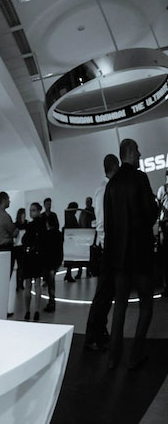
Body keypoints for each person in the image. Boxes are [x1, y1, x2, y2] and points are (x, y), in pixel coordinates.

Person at [105, 139, 159, 370]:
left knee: (120, 306)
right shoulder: (140, 178)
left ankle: (113, 357)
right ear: (129, 152)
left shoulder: (112, 184)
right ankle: (135, 354)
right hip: (141, 254)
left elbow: (109, 226)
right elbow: (151, 213)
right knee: (146, 304)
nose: (140, 154)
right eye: (137, 150)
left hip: (120, 258)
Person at [85, 154, 120, 351]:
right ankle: (92, 336)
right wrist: (108, 248)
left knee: (107, 294)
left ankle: (100, 331)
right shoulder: (103, 190)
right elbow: (101, 224)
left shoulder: (108, 189)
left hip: (109, 249)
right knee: (102, 294)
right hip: (107, 250)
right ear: (114, 166)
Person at [21, 202, 46, 321]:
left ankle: (27, 311)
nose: (31, 212)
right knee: (37, 284)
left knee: (28, 284)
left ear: (38, 211)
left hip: (29, 256)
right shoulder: (43, 225)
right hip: (37, 256)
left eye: (33, 210)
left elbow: (25, 240)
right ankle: (36, 311)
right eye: (31, 210)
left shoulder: (30, 225)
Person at [0, 191, 19, 287]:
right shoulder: (5, 216)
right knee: (6, 276)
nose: (9, 201)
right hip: (7, 248)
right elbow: (13, 233)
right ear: (4, 200)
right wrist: (18, 230)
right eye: (8, 199)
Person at [42, 212, 64, 312]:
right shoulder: (59, 234)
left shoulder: (46, 235)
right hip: (57, 260)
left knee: (50, 282)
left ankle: (51, 302)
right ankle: (52, 300)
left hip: (49, 261)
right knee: (51, 281)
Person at [63, 201, 83, 281]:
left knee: (70, 258)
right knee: (71, 258)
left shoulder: (68, 216)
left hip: (69, 239)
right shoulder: (71, 217)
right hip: (71, 240)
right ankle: (69, 274)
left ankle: (68, 274)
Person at [14, 208, 27, 290]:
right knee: (20, 266)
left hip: (22, 246)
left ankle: (20, 283)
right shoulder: (17, 224)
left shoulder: (26, 223)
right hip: (18, 247)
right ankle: (19, 284)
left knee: (22, 266)